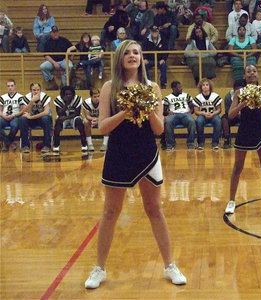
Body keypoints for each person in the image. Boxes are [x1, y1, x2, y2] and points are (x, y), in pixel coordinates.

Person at [84, 40, 186, 289]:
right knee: (110, 211)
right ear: (120, 58)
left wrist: (148, 107)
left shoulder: (152, 87)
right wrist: (126, 112)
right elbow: (102, 126)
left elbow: (160, 128)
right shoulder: (110, 87)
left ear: (142, 58)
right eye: (127, 52)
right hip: (118, 152)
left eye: (136, 52)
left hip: (146, 153)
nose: (132, 56)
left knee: (154, 209)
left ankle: (170, 265)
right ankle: (99, 269)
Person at [225, 65, 261, 214]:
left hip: (260, 131)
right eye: (248, 72)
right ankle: (231, 201)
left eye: (254, 71)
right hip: (244, 131)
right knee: (237, 167)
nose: (251, 74)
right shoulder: (238, 93)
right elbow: (230, 115)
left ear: (258, 74)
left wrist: (259, 101)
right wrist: (244, 103)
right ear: (244, 75)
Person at [19, 83, 53, 153]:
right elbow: (24, 111)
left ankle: (47, 145)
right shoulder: (27, 97)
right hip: (31, 120)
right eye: (34, 90)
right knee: (22, 119)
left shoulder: (44, 97)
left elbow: (46, 112)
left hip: (41, 119)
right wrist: (32, 101)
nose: (36, 92)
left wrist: (32, 117)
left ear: (40, 90)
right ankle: (25, 146)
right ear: (31, 91)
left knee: (46, 118)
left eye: (38, 90)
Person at [163, 81, 196, 150]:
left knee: (192, 121)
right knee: (168, 122)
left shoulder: (186, 95)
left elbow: (192, 107)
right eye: (179, 87)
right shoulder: (167, 98)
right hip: (174, 115)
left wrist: (190, 112)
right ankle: (170, 144)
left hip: (185, 114)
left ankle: (191, 143)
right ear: (174, 88)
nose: (181, 88)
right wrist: (168, 112)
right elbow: (163, 111)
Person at [53, 86, 87, 152]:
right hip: (63, 117)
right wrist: (66, 104)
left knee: (79, 121)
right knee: (58, 121)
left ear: (73, 94)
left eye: (70, 94)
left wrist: (66, 118)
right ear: (63, 95)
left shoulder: (77, 99)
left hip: (73, 117)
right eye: (66, 94)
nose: (68, 96)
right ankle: (56, 144)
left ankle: (84, 144)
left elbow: (77, 113)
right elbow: (59, 113)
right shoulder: (59, 99)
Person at [40, 26, 73, 90]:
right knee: (43, 67)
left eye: (57, 32)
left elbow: (73, 50)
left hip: (63, 60)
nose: (56, 34)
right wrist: (54, 63)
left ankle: (64, 83)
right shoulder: (48, 42)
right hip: (52, 61)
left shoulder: (64, 40)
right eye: (54, 32)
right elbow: (46, 55)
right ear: (51, 33)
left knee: (70, 66)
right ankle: (52, 81)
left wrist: (69, 59)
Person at [193, 79, 222, 150]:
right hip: (203, 115)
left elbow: (219, 110)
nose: (205, 87)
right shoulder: (198, 97)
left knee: (218, 121)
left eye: (207, 85)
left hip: (213, 115)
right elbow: (196, 111)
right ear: (201, 87)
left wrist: (213, 114)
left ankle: (215, 143)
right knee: (199, 121)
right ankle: (201, 143)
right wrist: (203, 113)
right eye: (203, 85)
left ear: (210, 86)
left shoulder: (215, 96)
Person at [0, 79, 24, 152]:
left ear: (15, 86)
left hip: (15, 117)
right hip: (4, 117)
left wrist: (14, 115)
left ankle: (6, 144)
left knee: (15, 125)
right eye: (8, 86)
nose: (10, 87)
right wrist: (3, 116)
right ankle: (10, 143)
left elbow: (23, 110)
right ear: (6, 87)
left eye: (12, 86)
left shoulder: (20, 97)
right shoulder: (3, 97)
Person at [222, 80, 243, 149]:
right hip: (233, 115)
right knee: (224, 119)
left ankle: (249, 139)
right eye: (237, 89)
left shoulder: (248, 95)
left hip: (244, 115)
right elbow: (228, 111)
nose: (239, 91)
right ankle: (227, 139)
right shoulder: (228, 96)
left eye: (241, 89)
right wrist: (236, 112)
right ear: (234, 89)